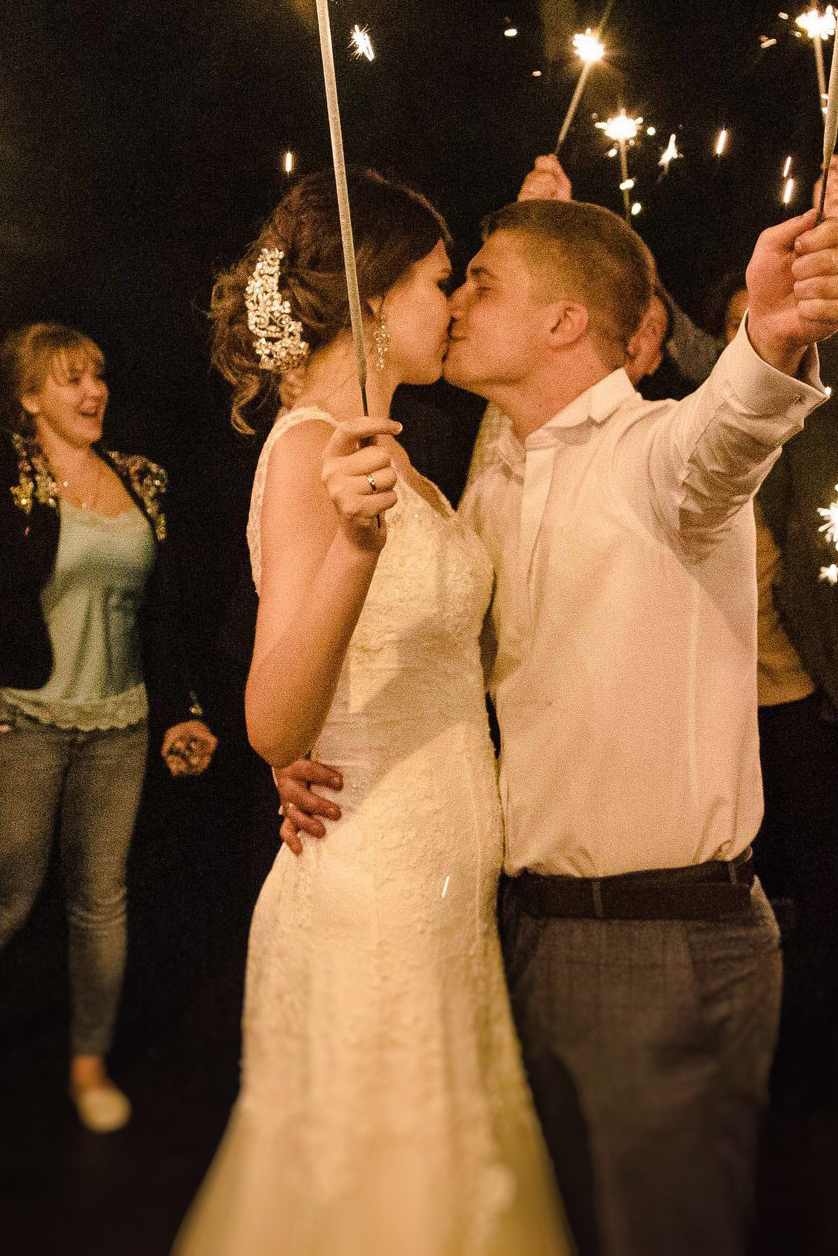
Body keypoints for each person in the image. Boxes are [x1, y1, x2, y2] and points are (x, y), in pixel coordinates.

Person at [275, 184, 838, 1255]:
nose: (451, 304)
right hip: (511, 929)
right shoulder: (490, 467)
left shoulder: (658, 459)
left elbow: (727, 437)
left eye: (479, 286)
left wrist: (767, 337)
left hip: (660, 939)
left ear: (560, 324)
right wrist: (320, 738)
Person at [180, 171, 569, 1254]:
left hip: (443, 883)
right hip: (375, 886)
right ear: (376, 293)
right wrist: (355, 547)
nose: (452, 305)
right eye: (444, 280)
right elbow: (273, 723)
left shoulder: (396, 451)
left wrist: (537, 218)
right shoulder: (314, 454)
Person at [0, 243, 217, 1135]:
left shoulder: (143, 479)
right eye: (69, 379)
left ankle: (87, 1065)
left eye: (98, 377)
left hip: (118, 723)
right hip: (19, 721)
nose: (92, 391)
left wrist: (184, 710)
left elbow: (166, 613)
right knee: (5, 892)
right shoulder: (9, 479)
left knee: (101, 899)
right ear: (30, 395)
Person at [716, 275, 838, 1110]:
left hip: (798, 710)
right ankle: (756, 1060)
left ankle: (810, 1055)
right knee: (746, 904)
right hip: (726, 727)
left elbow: (823, 359)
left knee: (825, 894)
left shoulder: (796, 449)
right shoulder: (689, 455)